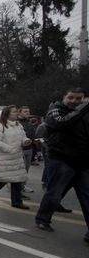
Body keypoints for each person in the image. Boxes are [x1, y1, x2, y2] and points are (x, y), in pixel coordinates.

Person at [35, 88, 89, 241]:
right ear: (64, 98)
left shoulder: (85, 113)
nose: (74, 101)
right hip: (61, 159)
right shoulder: (56, 111)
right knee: (54, 192)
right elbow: (63, 123)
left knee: (86, 195)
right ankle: (42, 219)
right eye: (70, 98)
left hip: (83, 160)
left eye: (79, 98)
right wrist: (82, 108)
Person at [0, 105, 31, 209]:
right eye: (13, 112)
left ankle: (17, 202)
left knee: (17, 180)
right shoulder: (0, 126)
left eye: (16, 111)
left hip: (17, 157)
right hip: (5, 159)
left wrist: (25, 141)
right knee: (2, 180)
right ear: (7, 114)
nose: (16, 113)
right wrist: (9, 149)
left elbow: (23, 136)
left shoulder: (18, 125)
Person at [18, 106, 36, 194]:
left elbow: (33, 135)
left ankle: (22, 185)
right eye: (25, 111)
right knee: (21, 169)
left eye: (28, 111)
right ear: (20, 112)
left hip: (29, 149)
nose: (27, 113)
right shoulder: (16, 123)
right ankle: (19, 187)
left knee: (26, 168)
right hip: (20, 149)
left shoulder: (29, 122)